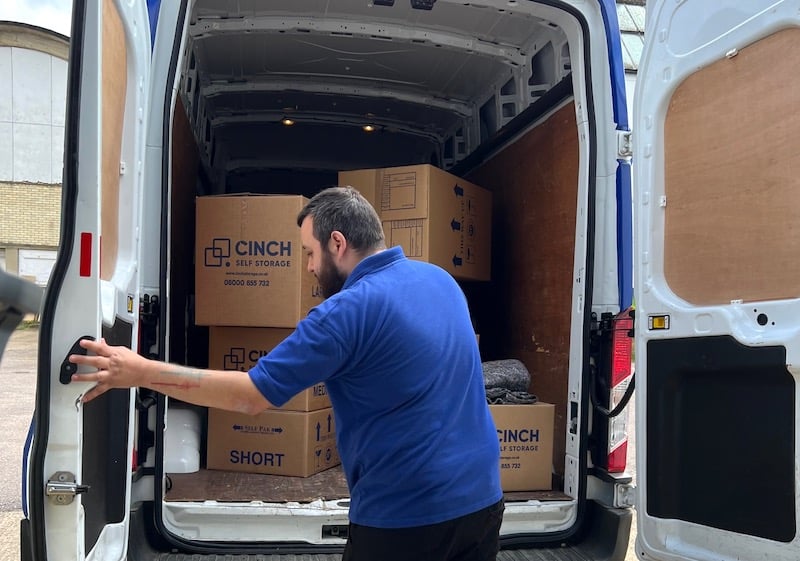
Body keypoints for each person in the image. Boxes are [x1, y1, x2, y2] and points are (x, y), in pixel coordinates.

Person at [70, 186, 503, 560]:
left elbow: (249, 396)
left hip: (407, 518)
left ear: (337, 243)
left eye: (309, 253)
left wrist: (140, 370)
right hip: (482, 499)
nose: (310, 267)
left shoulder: (344, 312)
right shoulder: (440, 280)